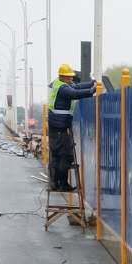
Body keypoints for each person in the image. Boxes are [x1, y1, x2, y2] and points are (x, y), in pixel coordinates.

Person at [46, 63, 96, 191]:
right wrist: (92, 91)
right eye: (69, 77)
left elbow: (77, 86)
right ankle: (61, 184)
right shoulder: (63, 88)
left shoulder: (62, 84)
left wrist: (91, 83)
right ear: (62, 76)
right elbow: (75, 93)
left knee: (60, 155)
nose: (71, 79)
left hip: (59, 126)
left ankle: (57, 183)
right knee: (64, 155)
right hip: (59, 127)